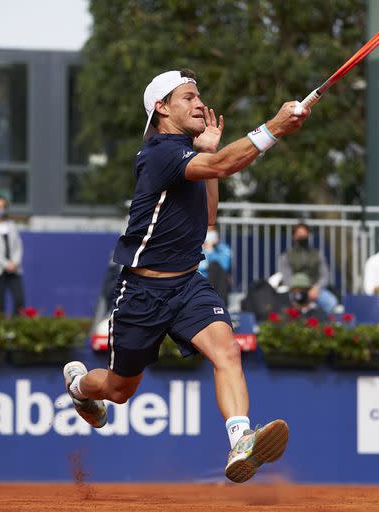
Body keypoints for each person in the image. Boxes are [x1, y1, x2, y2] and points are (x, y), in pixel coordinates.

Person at [62, 69, 310, 484]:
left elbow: (209, 214)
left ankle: (241, 440)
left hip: (187, 283)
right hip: (141, 290)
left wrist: (210, 158)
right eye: (188, 97)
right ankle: (78, 387)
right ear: (162, 108)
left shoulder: (190, 156)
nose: (200, 104)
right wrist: (274, 128)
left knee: (227, 351)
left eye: (199, 97)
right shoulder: (160, 153)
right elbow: (226, 164)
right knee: (120, 391)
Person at [278, 221, 338, 313]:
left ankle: (321, 323)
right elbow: (287, 278)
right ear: (294, 236)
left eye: (304, 234)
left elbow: (325, 276)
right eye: (299, 234)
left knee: (331, 302)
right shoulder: (286, 256)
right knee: (284, 305)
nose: (302, 237)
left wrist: (316, 288)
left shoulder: (317, 254)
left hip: (314, 289)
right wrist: (299, 291)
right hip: (294, 290)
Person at [197, 225, 232, 304]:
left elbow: (224, 266)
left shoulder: (223, 248)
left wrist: (210, 251)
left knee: (215, 267)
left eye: (211, 232)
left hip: (215, 283)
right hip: (199, 281)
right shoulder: (197, 247)